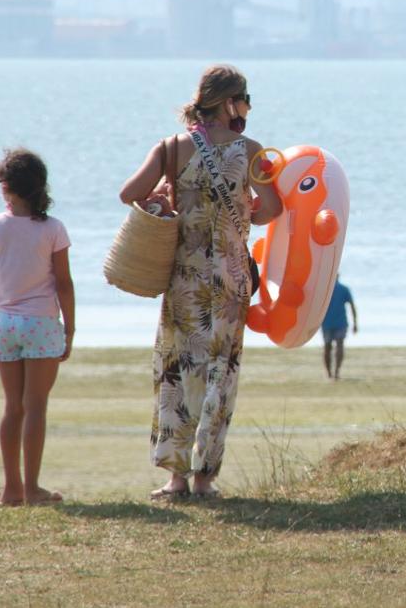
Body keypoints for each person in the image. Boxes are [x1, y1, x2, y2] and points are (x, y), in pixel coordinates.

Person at [120, 64, 282, 500]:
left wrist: (164, 199)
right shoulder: (251, 151)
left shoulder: (172, 148)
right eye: (245, 101)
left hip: (183, 281)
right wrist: (242, 209)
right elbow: (271, 210)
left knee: (176, 373)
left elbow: (128, 193)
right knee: (219, 376)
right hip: (229, 284)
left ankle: (174, 479)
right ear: (231, 102)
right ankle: (205, 478)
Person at [0, 148, 75, 506]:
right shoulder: (53, 229)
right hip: (41, 324)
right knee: (35, 407)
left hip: (7, 324)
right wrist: (72, 328)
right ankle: (32, 489)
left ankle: (11, 490)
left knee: (12, 408)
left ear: (7, 187)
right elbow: (63, 284)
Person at [320, 277, 358, 380]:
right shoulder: (343, 289)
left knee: (327, 347)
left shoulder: (324, 289)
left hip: (326, 323)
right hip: (339, 323)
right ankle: (336, 372)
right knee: (339, 346)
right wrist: (355, 323)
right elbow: (352, 306)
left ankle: (329, 373)